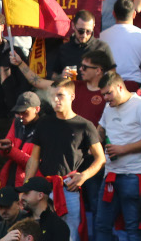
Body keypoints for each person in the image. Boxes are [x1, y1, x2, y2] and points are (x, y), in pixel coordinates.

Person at [23, 78, 106, 240]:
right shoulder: (44, 123)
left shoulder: (85, 125)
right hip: (44, 189)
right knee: (41, 232)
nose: (55, 100)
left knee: (71, 235)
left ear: (72, 96)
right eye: (53, 95)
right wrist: (27, 187)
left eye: (60, 95)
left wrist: (84, 176)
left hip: (69, 187)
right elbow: (34, 159)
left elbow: (100, 158)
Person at [94, 72, 141, 241]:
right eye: (103, 95)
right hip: (111, 174)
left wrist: (123, 149)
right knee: (102, 225)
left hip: (135, 173)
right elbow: (101, 128)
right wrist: (95, 140)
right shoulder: (109, 107)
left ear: (119, 86)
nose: (106, 98)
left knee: (134, 227)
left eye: (108, 93)